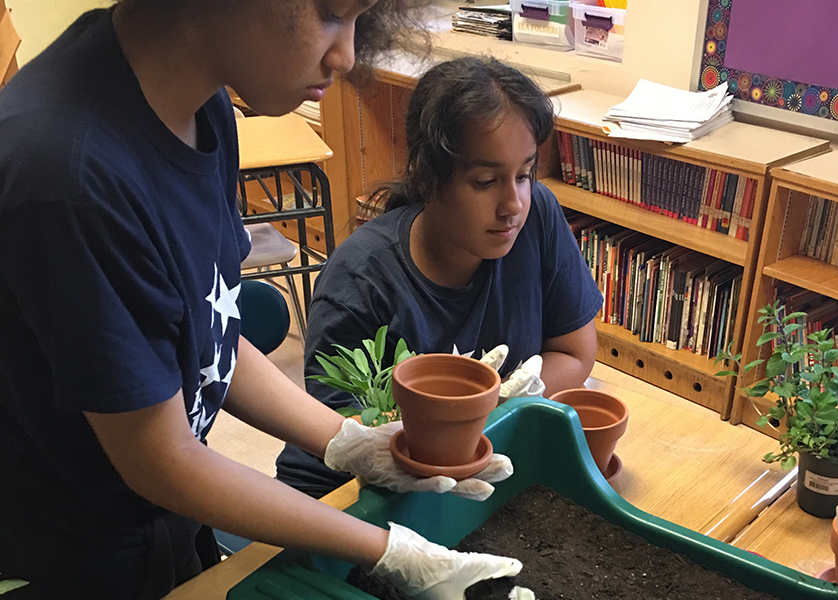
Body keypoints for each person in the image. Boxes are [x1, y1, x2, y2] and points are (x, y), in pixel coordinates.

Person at [0, 2, 521, 598]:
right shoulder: (70, 180)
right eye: (329, 13)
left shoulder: (200, 106)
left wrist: (345, 442)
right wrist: (390, 550)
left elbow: (204, 333)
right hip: (73, 561)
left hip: (161, 526)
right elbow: (161, 461)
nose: (346, 56)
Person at [276, 57, 603, 498]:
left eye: (524, 175)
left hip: (471, 472)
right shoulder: (360, 282)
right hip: (348, 492)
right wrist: (476, 424)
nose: (514, 204)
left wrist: (492, 414)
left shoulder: (536, 215)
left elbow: (575, 351)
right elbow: (348, 435)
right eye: (486, 181)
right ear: (428, 180)